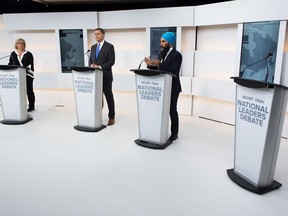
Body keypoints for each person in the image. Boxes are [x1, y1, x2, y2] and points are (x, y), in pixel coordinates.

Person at [145, 32, 182, 142]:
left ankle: (174, 133)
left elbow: (174, 70)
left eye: (163, 41)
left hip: (173, 87)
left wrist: (158, 65)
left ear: (170, 42)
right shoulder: (162, 54)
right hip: (162, 86)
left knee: (172, 109)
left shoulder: (177, 55)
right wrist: (150, 64)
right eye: (160, 41)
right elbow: (158, 69)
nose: (161, 43)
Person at [89, 28, 115, 126]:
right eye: (95, 34)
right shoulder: (93, 47)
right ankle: (98, 116)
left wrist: (99, 67)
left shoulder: (109, 47)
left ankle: (111, 117)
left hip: (106, 77)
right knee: (98, 98)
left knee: (109, 97)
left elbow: (111, 61)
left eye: (98, 34)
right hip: (95, 77)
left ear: (103, 35)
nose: (96, 36)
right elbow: (91, 60)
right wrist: (91, 65)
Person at [8, 38, 35, 112]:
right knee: (18, 92)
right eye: (19, 43)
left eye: (23, 43)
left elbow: (31, 66)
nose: (21, 45)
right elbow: (10, 64)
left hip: (28, 75)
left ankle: (31, 106)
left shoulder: (28, 54)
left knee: (29, 91)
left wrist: (26, 70)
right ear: (16, 44)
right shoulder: (13, 54)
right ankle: (18, 106)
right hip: (16, 76)